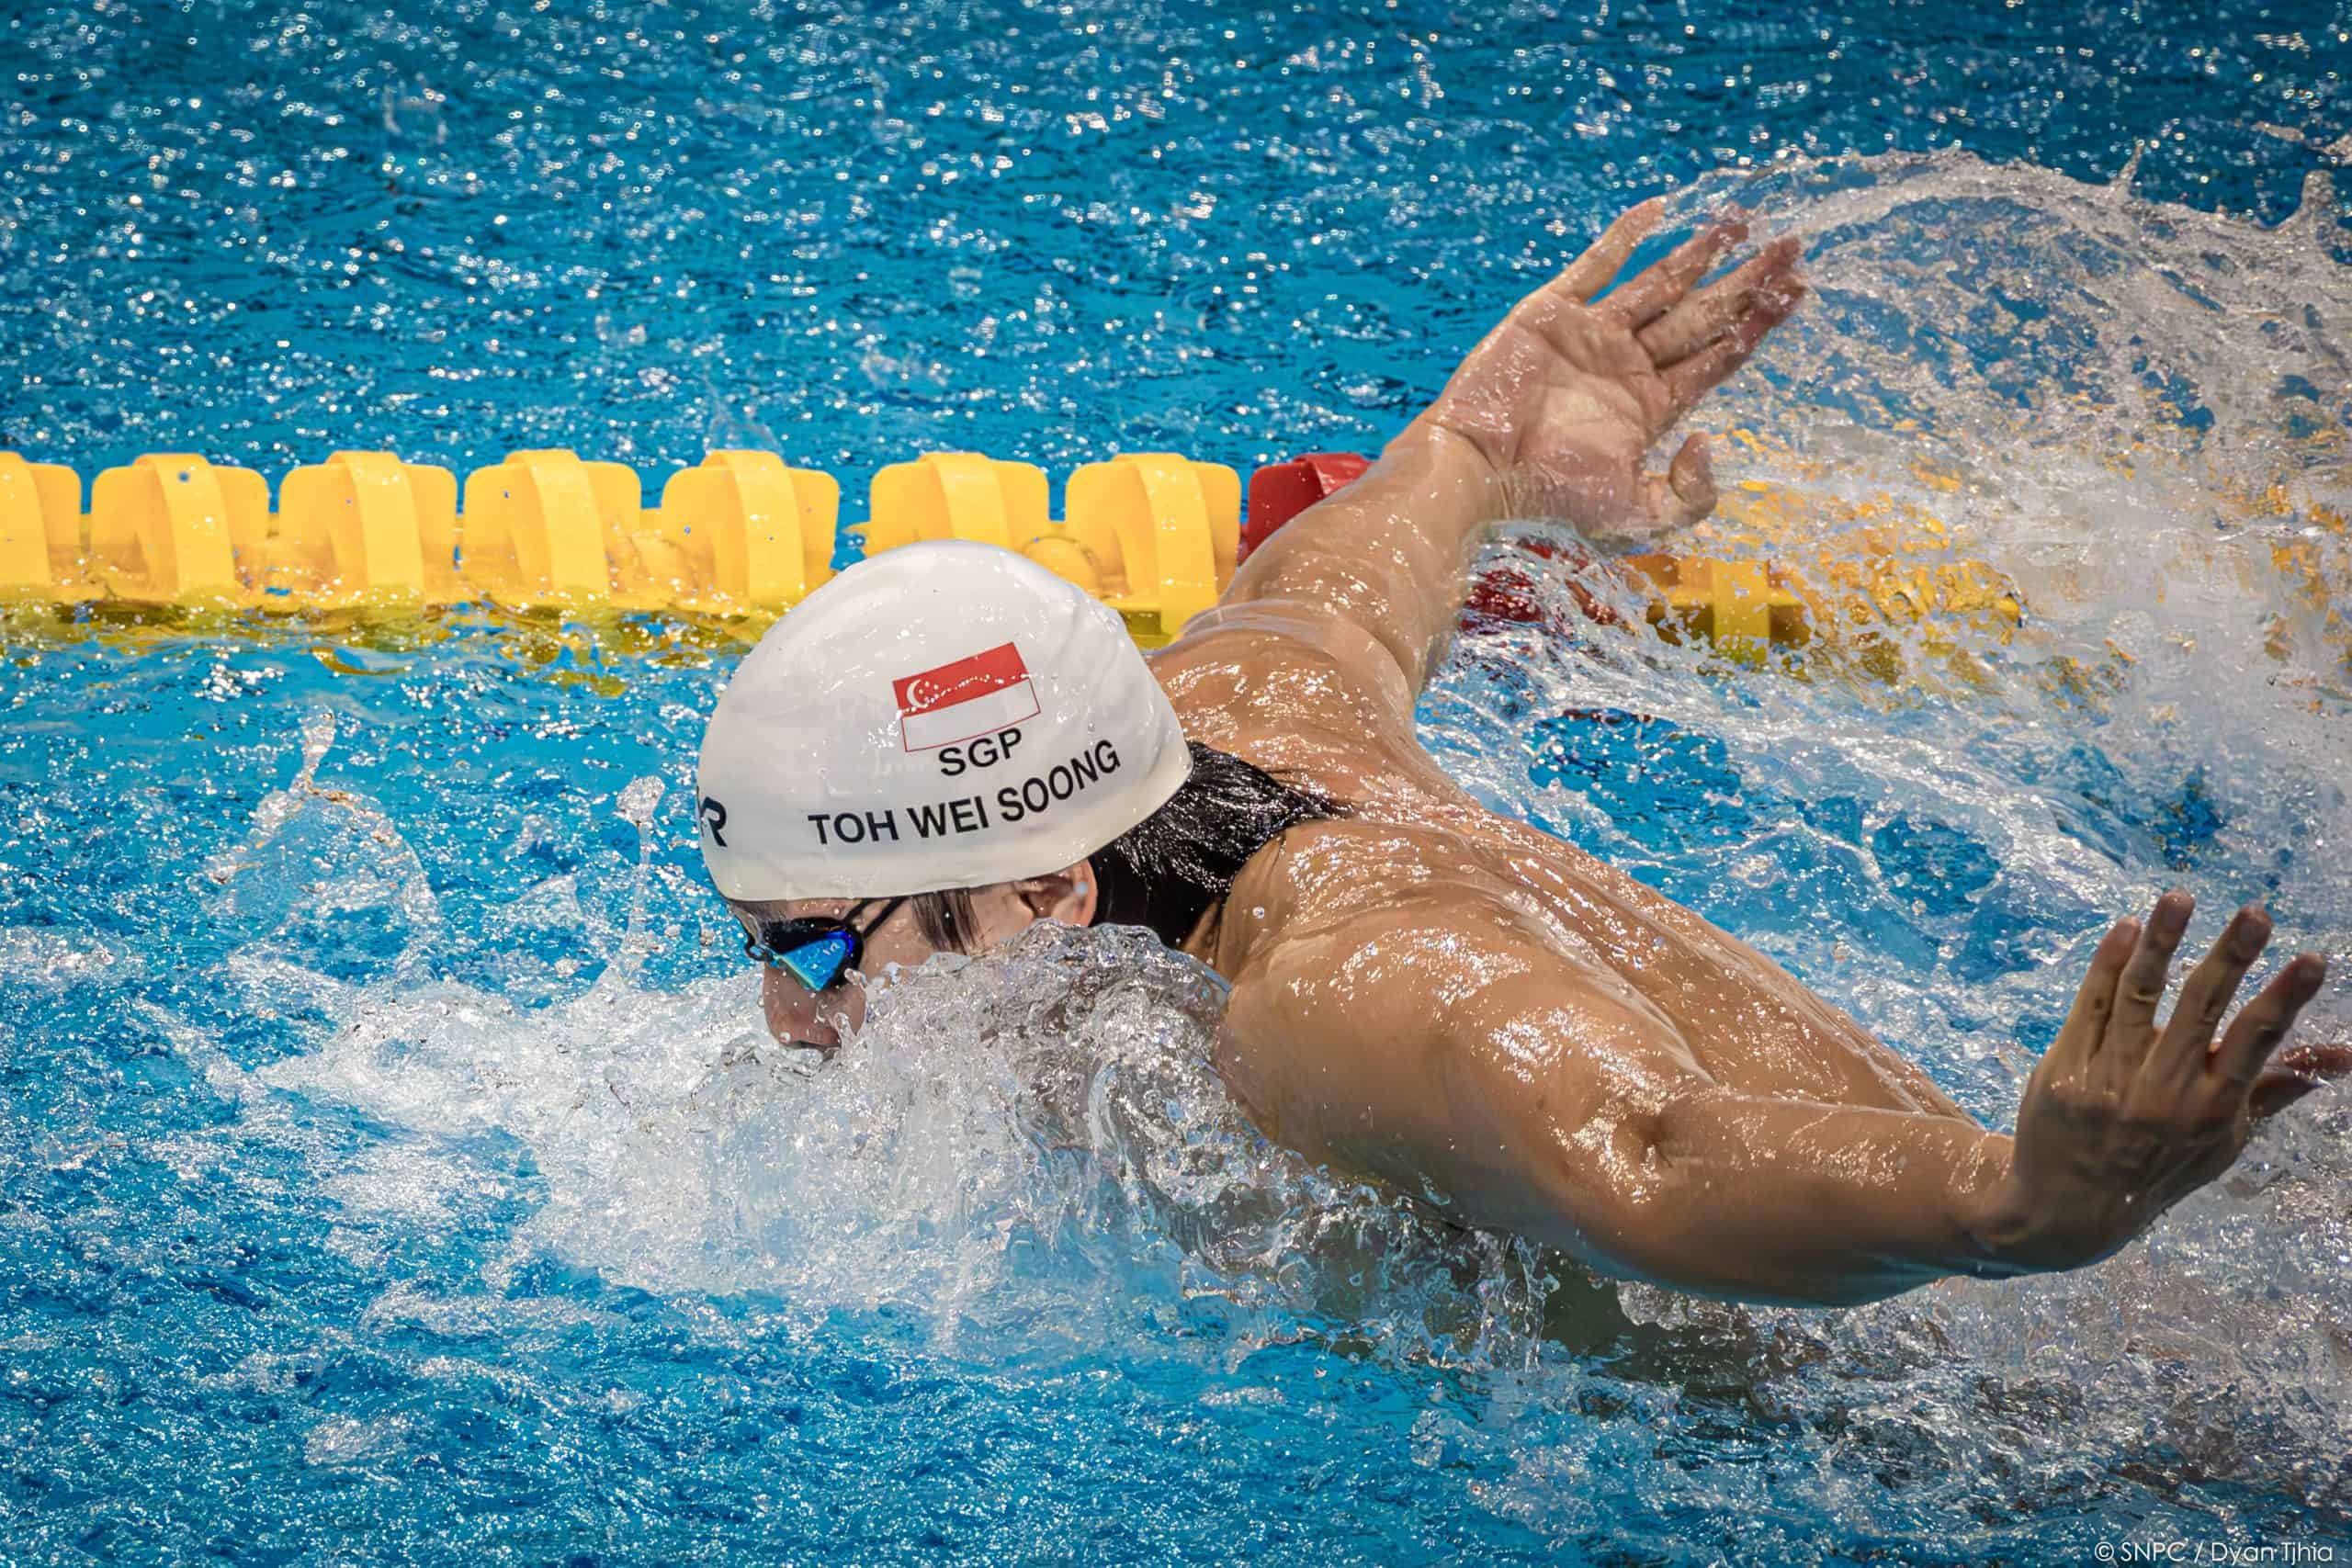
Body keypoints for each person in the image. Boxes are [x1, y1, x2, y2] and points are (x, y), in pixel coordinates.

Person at [694, 198, 2344, 1307]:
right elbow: (1330, 587)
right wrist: (1487, 447)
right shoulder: (1229, 716)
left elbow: (1646, 1155)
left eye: (827, 947)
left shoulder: (1345, 993)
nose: (790, 1017)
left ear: (1046, 891)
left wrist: (2018, 1206)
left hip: (2068, 1387)